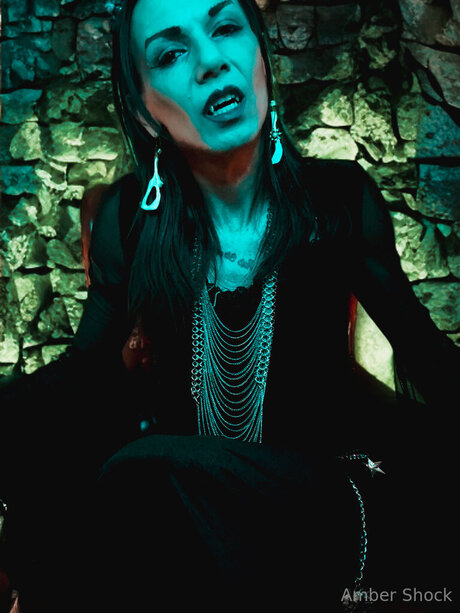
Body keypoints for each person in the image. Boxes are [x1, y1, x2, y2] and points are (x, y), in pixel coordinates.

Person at [1, 0, 459, 611]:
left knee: (143, 473)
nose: (211, 61)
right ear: (142, 106)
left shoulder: (338, 201)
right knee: (100, 491)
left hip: (317, 504)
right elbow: (84, 373)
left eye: (224, 28)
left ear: (259, 53)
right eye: (171, 52)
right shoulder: (129, 223)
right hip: (188, 520)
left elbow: (424, 351)